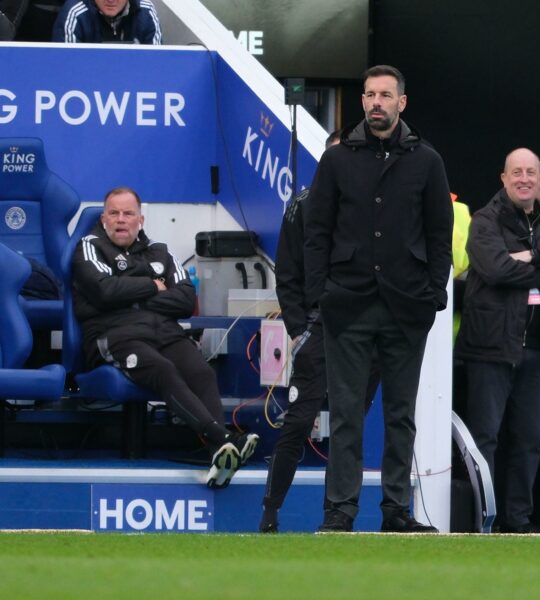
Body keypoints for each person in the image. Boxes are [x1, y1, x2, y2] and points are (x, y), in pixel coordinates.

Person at [304, 65, 453, 533]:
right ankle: (339, 513)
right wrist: (319, 295)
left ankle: (396, 512)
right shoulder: (337, 159)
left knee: (401, 416)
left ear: (401, 102)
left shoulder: (426, 160)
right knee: (346, 415)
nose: (375, 103)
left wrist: (432, 295)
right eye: (369, 94)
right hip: (346, 304)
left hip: (407, 305)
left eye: (385, 95)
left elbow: (439, 233)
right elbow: (316, 232)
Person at [71, 187, 257, 488]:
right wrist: (151, 285)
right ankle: (221, 437)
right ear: (104, 218)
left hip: (164, 331)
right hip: (114, 335)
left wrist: (130, 293)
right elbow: (103, 291)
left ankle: (219, 456)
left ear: (140, 219)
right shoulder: (88, 247)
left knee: (201, 372)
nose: (121, 220)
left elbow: (185, 300)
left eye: (128, 213)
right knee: (162, 369)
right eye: (114, 213)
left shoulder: (160, 250)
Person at [455, 148, 540, 533]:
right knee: (486, 439)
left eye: (531, 172)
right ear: (504, 177)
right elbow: (495, 269)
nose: (524, 178)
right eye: (517, 172)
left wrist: (534, 256)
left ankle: (519, 521)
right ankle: (484, 519)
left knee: (530, 439)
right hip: (490, 349)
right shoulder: (485, 220)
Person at [259, 130, 380, 534]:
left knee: (350, 427)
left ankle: (337, 516)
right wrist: (298, 329)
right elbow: (288, 273)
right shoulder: (303, 205)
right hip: (318, 330)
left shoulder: (378, 205)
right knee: (297, 421)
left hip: (366, 331)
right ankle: (270, 513)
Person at [53, 0, 161, 44]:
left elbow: (157, 65)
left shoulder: (146, 11)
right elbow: (67, 68)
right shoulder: (75, 13)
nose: (111, 0)